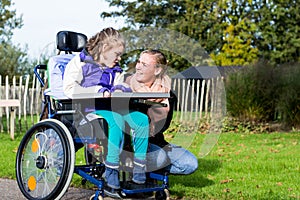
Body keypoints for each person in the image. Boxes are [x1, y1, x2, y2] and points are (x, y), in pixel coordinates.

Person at [63, 27, 149, 190]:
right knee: (116, 121)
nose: (119, 58)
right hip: (87, 111)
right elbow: (69, 89)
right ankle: (111, 171)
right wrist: (97, 91)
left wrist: (121, 88)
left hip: (112, 108)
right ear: (104, 49)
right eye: (117, 54)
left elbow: (120, 83)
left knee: (142, 120)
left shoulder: (115, 69)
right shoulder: (80, 63)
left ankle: (139, 170)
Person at [125, 49, 198, 175]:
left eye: (144, 65)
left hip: (156, 141)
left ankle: (151, 170)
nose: (138, 67)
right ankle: (138, 169)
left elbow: (163, 127)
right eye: (138, 62)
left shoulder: (167, 95)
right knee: (160, 158)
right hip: (131, 143)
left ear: (157, 70)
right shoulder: (126, 88)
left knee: (189, 164)